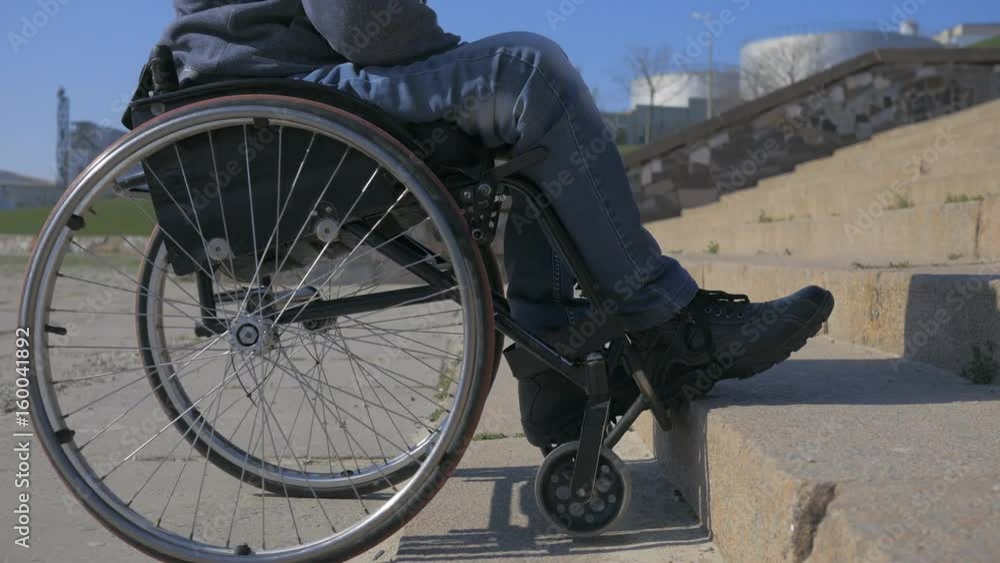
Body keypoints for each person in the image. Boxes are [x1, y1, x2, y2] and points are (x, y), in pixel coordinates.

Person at [161, 0, 835, 448]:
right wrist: (443, 51)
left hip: (260, 85)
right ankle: (669, 327)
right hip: (295, 91)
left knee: (519, 94)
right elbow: (361, 18)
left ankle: (559, 370)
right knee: (527, 70)